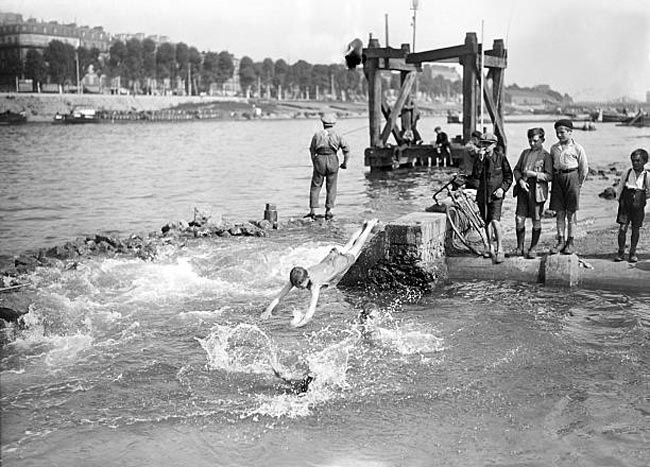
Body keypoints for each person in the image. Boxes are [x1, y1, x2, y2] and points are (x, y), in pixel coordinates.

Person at [261, 219, 379, 327]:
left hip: (338, 263)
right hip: (330, 258)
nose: (300, 288)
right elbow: (280, 296)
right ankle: (362, 226)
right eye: (297, 286)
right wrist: (268, 310)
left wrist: (297, 325)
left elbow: (311, 310)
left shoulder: (315, 285)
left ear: (307, 277)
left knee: (357, 246)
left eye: (301, 286)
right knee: (348, 244)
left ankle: (369, 226)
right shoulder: (297, 277)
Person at [268, 301, 382, 394]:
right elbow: (334, 351)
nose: (367, 322)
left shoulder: (386, 336)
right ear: (360, 318)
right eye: (365, 318)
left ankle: (289, 379)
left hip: (365, 377)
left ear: (379, 319)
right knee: (318, 372)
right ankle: (288, 378)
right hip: (349, 374)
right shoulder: (353, 337)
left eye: (372, 318)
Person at [467, 132, 513, 263]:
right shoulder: (479, 158)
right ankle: (490, 247)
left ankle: (500, 249)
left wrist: (502, 189)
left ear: (494, 145)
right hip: (483, 194)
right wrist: (480, 160)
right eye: (483, 144)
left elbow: (509, 177)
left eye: (488, 144)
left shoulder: (501, 158)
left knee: (495, 221)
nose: (485, 146)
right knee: (486, 222)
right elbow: (475, 175)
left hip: (496, 195)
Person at [510, 127, 553, 258]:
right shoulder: (524, 153)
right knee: (519, 219)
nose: (532, 144)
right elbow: (516, 170)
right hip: (523, 189)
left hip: (537, 190)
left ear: (542, 140)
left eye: (535, 141)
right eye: (530, 141)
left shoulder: (546, 156)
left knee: (536, 219)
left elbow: (550, 176)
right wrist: (520, 181)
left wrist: (534, 174)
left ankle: (533, 248)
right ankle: (520, 247)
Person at [548, 119, 589, 255]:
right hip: (558, 179)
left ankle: (570, 242)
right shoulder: (554, 148)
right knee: (559, 212)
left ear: (570, 133)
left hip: (572, 177)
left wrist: (578, 184)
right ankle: (560, 240)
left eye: (562, 132)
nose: (559, 135)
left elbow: (584, 168)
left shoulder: (578, 148)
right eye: (557, 132)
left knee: (571, 212)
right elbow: (552, 165)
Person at [306, 113, 351, 220]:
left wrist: (314, 162)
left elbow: (311, 150)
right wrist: (345, 163)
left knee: (316, 186)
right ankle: (329, 211)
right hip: (333, 159)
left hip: (319, 159)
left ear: (323, 123)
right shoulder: (338, 135)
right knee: (331, 186)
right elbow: (347, 150)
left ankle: (313, 211)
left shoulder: (317, 135)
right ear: (333, 124)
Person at [614, 148, 650, 263]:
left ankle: (632, 252)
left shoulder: (647, 175)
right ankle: (620, 251)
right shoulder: (627, 172)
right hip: (625, 202)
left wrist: (642, 199)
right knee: (622, 228)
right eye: (633, 161)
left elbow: (648, 190)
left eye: (638, 161)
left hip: (638, 204)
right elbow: (620, 187)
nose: (635, 163)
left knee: (636, 229)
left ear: (644, 162)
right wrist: (619, 199)